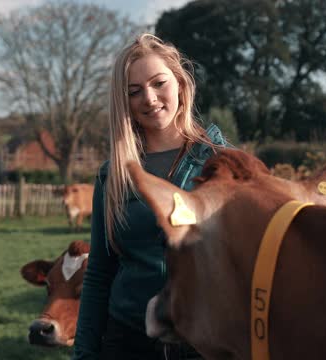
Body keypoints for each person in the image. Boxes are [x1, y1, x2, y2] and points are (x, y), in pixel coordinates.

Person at [72, 33, 227, 360]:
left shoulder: (223, 165)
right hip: (127, 341)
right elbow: (100, 272)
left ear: (181, 84)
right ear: (124, 101)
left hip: (204, 343)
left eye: (159, 83)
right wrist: (84, 353)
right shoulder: (112, 175)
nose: (149, 97)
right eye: (134, 91)